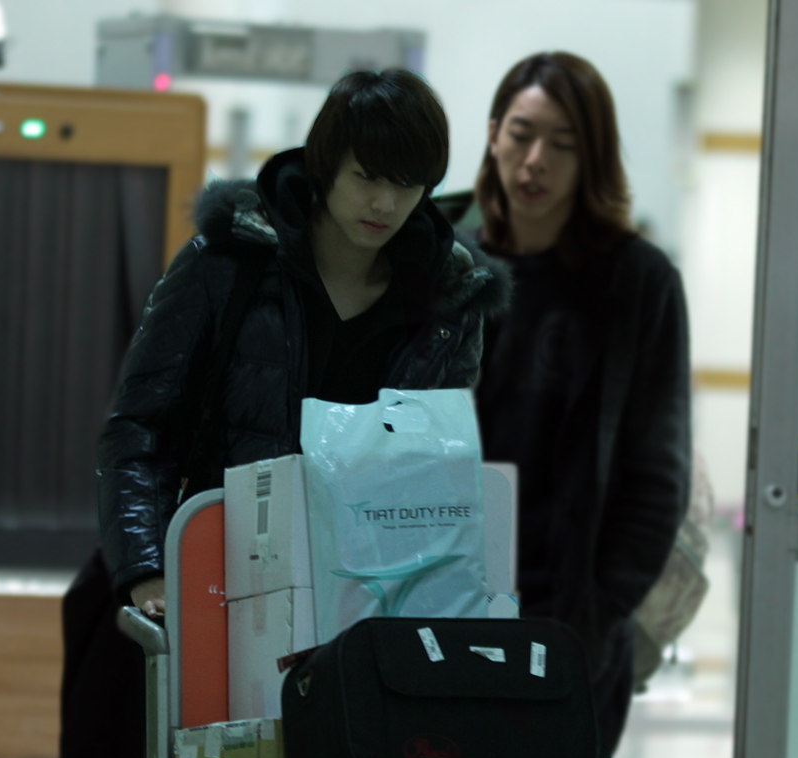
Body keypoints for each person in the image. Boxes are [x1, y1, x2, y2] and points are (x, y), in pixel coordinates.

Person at [96, 69, 511, 614]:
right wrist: (149, 568)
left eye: (407, 185)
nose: (384, 204)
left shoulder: (448, 302)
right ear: (326, 164)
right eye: (367, 177)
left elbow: (437, 471)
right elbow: (140, 428)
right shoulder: (226, 264)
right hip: (228, 572)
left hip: (374, 591)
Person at [469, 52, 692, 758]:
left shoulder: (638, 283)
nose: (536, 160)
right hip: (444, 606)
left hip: (568, 623)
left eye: (564, 144)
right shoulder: (449, 269)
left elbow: (657, 476)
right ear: (494, 134)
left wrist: (597, 616)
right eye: (522, 134)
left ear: (592, 158)